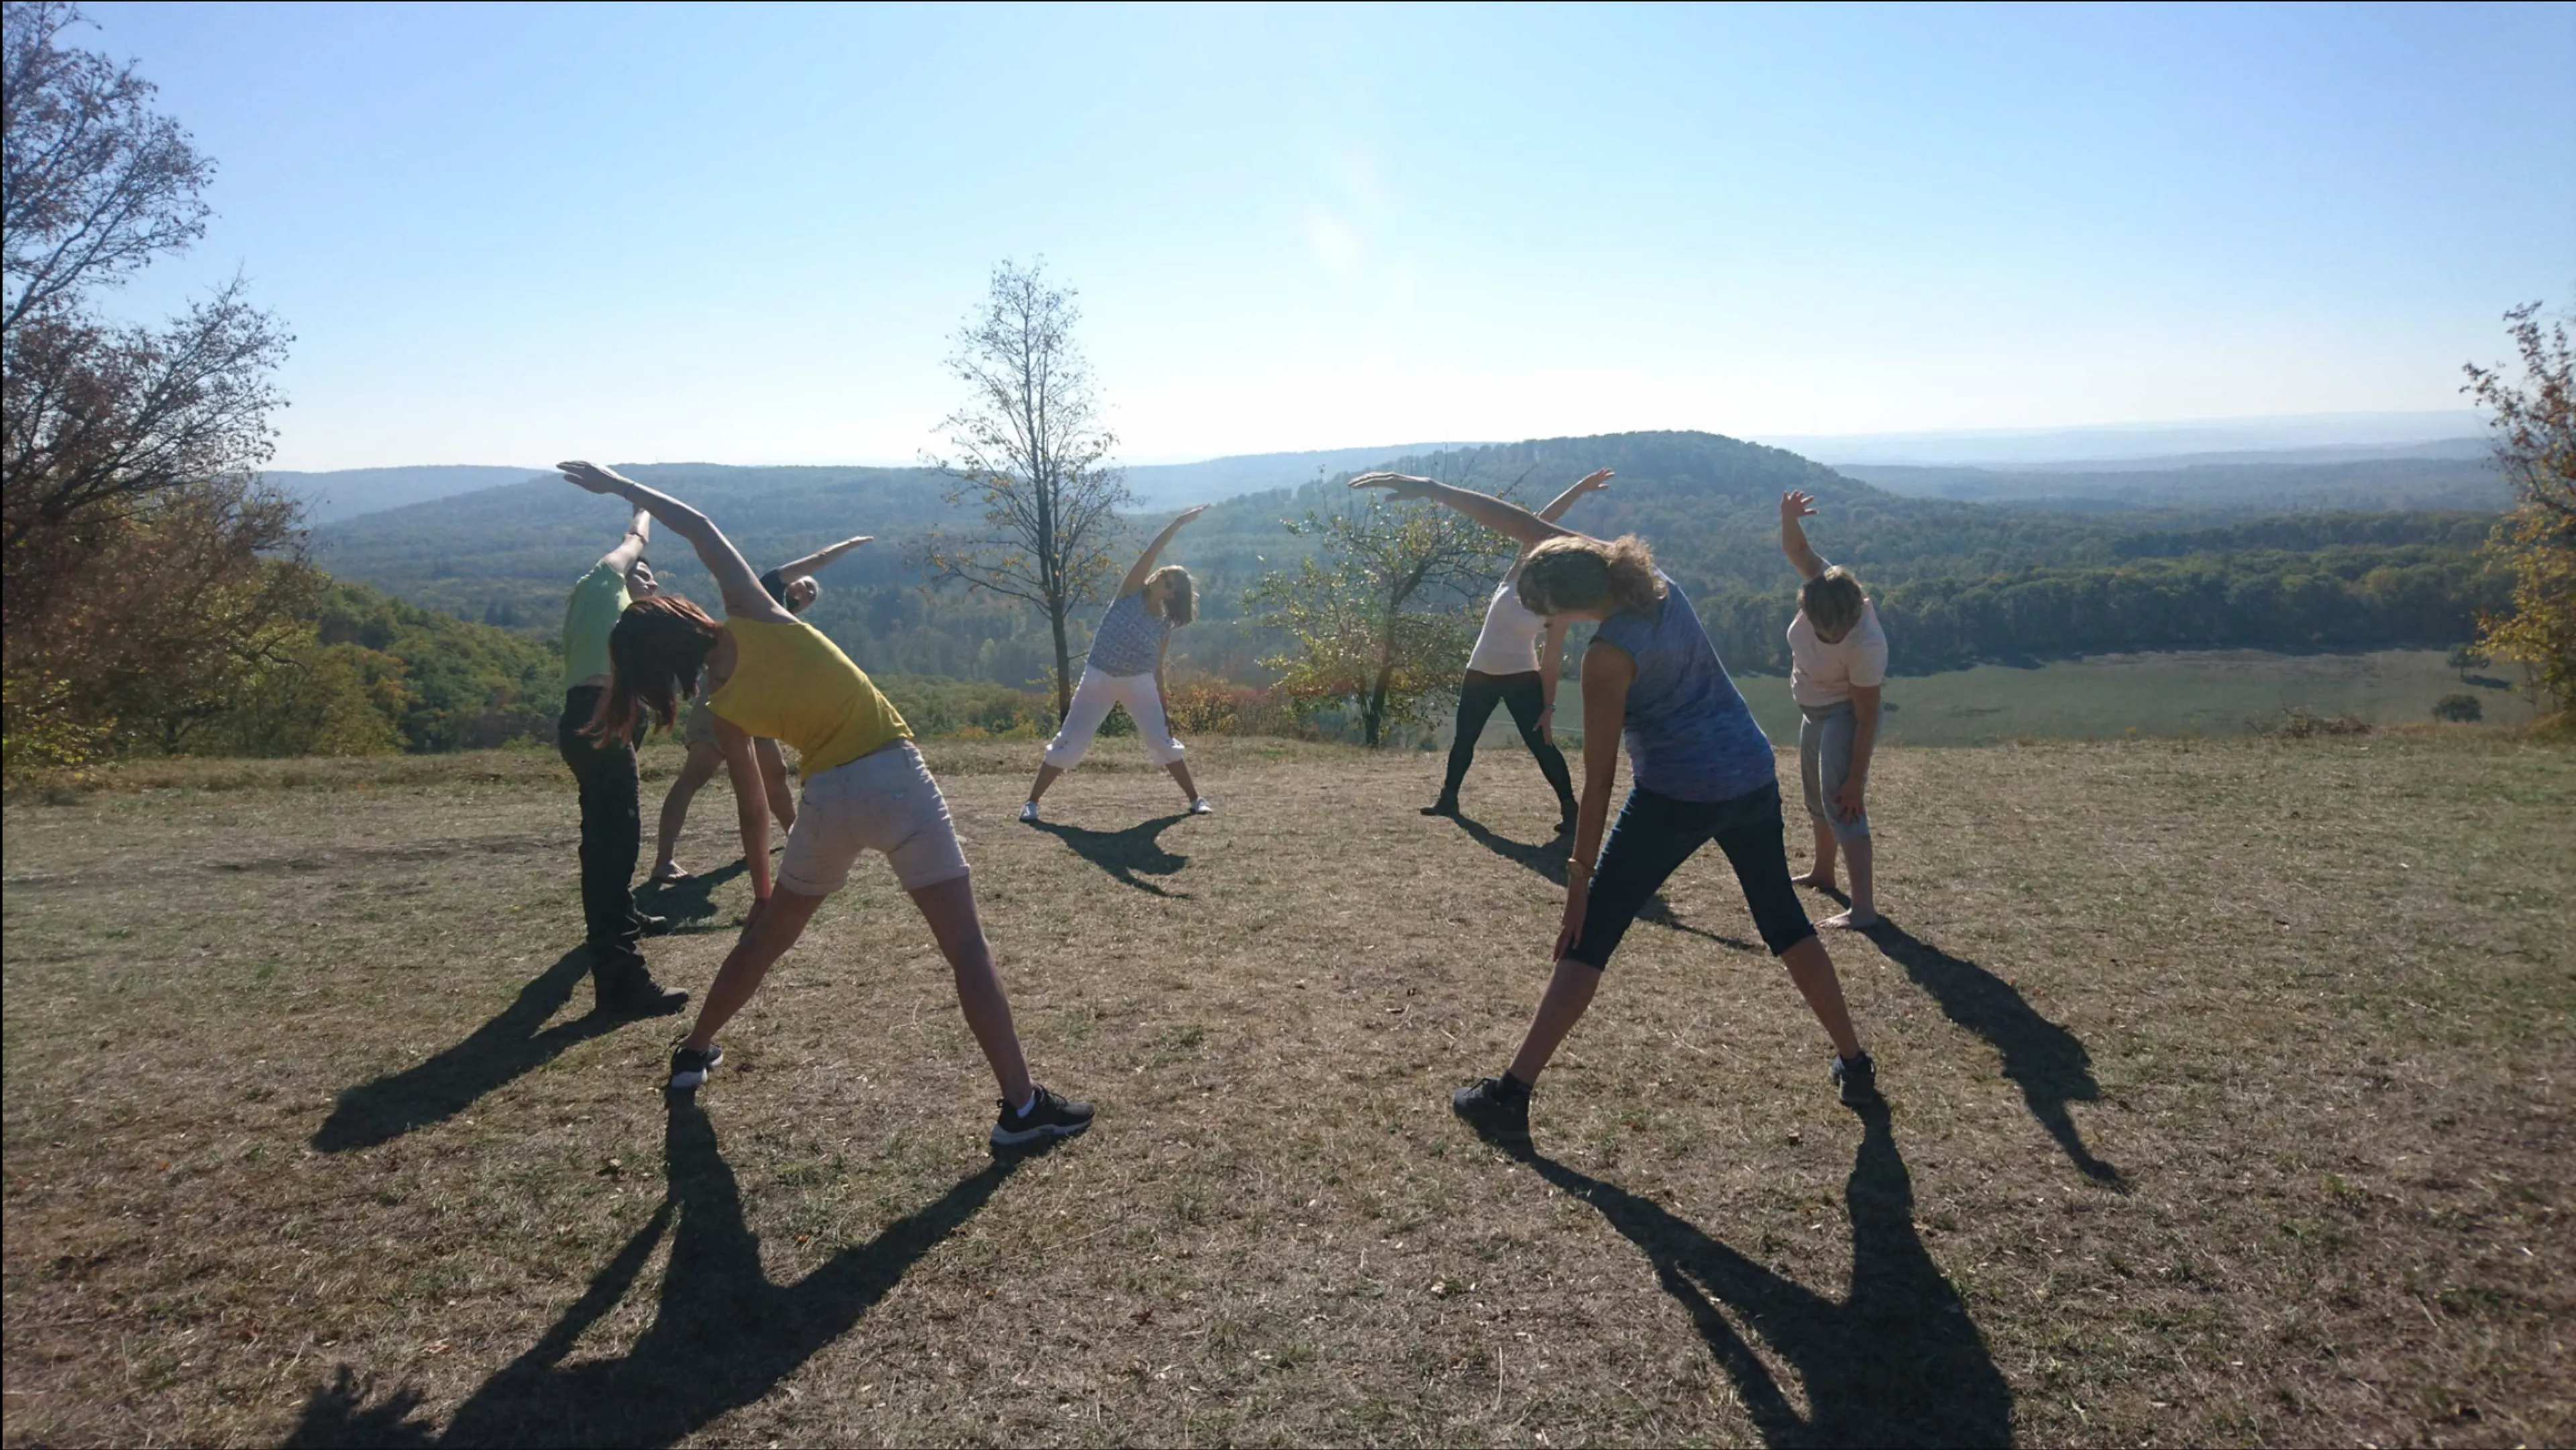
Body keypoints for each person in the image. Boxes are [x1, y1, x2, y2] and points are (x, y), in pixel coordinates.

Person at [559, 460, 1093, 1147]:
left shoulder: (720, 707)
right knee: (966, 948)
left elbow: (757, 802)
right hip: (895, 778)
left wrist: (762, 892)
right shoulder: (754, 612)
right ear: (688, 612)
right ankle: (1022, 1108)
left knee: (770, 940)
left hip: (829, 800)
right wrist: (620, 486)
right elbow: (697, 525)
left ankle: (693, 1051)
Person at [1345, 470, 1879, 1141]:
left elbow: (1598, 783)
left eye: (1545, 616)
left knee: (1590, 937)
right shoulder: (1652, 584)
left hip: (1678, 794)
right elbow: (1532, 531)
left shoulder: (1606, 656)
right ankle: (1856, 1065)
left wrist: (1578, 885)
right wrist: (1432, 488)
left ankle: (1510, 1096)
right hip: (1748, 774)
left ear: (1565, 609)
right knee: (1782, 918)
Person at [649, 533, 873, 884]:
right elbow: (816, 559)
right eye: (805, 586)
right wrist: (846, 547)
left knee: (775, 772)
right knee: (696, 775)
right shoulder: (767, 589)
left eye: (812, 594)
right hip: (724, 696)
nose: (806, 593)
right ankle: (664, 860)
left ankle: (798, 839)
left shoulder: (786, 621)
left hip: (755, 706)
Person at [1422, 469, 1613, 833]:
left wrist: (1548, 707)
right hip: (1479, 670)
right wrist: (1581, 487)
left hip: (1521, 678)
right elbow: (1540, 521)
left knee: (1541, 746)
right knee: (1465, 738)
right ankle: (1448, 799)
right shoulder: (1516, 574)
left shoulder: (1560, 608)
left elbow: (1551, 662)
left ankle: (1571, 811)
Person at [557, 504, 688, 1015]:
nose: (650, 584)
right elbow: (637, 538)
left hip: (591, 722)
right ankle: (621, 981)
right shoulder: (604, 581)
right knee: (615, 854)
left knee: (605, 842)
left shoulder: (620, 622)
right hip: (598, 723)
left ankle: (623, 921)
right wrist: (642, 504)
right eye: (644, 577)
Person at [1020, 506, 1212, 823]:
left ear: (1172, 595)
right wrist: (1177, 523)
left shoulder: (1163, 624)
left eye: (1167, 581)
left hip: (1139, 683)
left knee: (1161, 741)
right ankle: (1031, 804)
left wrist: (1164, 710)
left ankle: (1195, 799)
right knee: (1069, 742)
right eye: (1162, 574)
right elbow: (1151, 553)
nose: (1158, 576)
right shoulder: (1129, 594)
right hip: (1098, 677)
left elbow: (1158, 669)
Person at [1778, 489, 1888, 929]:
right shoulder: (1822, 582)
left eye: (1832, 633)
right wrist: (1788, 517)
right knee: (1814, 796)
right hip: (1812, 708)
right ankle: (1824, 871)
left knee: (1842, 802)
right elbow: (1797, 548)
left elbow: (1867, 716)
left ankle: (1863, 909)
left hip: (1844, 713)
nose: (1824, 637)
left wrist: (1856, 780)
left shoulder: (1867, 643)